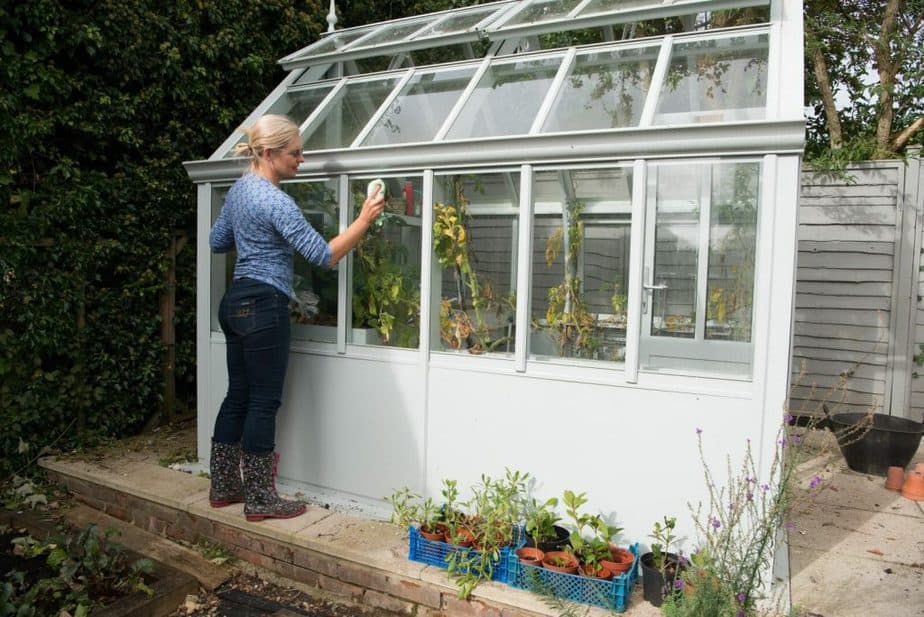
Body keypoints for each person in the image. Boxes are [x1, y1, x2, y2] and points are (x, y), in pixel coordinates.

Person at [207, 114, 384, 522]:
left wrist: (249, 233)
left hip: (234, 303)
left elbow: (218, 241)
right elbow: (325, 255)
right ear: (269, 154)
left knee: (238, 395)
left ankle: (223, 487)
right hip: (264, 305)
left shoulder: (238, 192)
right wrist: (364, 218)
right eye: (295, 153)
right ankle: (260, 499)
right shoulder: (274, 200)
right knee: (264, 402)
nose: (301, 160)